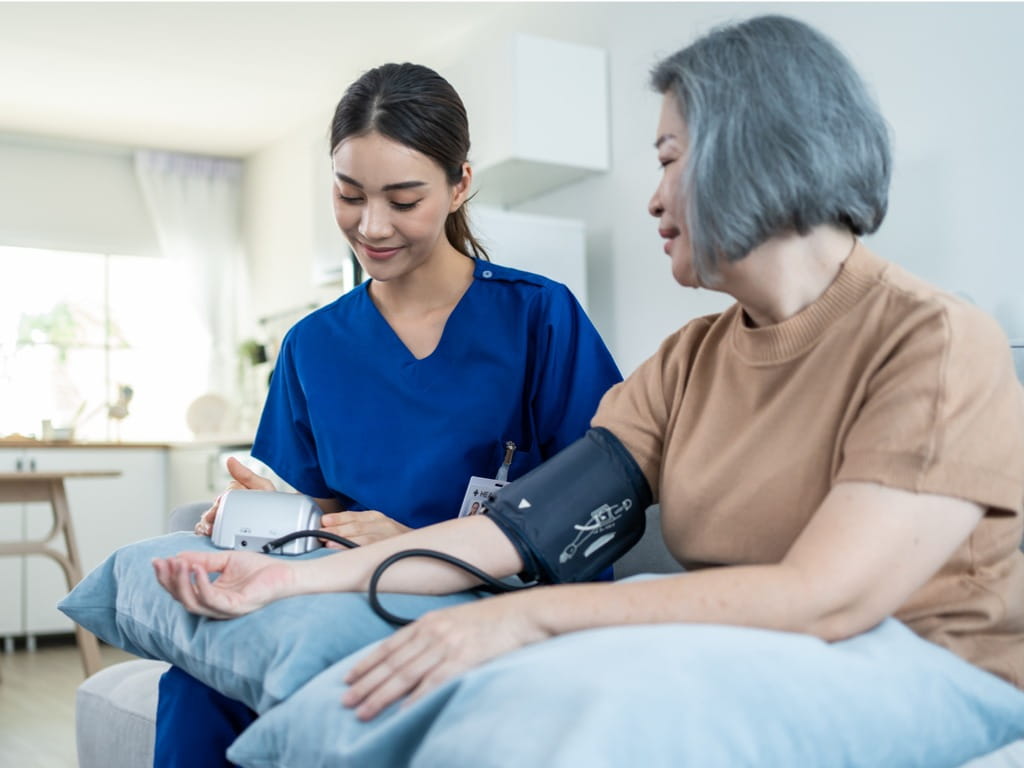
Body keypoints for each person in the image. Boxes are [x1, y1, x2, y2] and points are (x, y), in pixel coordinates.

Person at [155, 16, 1024, 764]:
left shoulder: (933, 338)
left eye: (670, 157)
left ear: (760, 150)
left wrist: (526, 623)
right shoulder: (690, 361)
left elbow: (827, 594)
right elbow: (521, 527)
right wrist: (282, 583)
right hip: (750, 645)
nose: (650, 199)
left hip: (927, 660)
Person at [152, 61, 621, 767]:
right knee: (198, 683)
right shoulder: (313, 346)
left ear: (460, 184)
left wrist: (412, 542)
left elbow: (596, 510)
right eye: (349, 196)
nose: (371, 227)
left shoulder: (537, 317)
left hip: (492, 600)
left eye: (404, 200)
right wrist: (264, 516)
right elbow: (307, 505)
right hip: (340, 592)